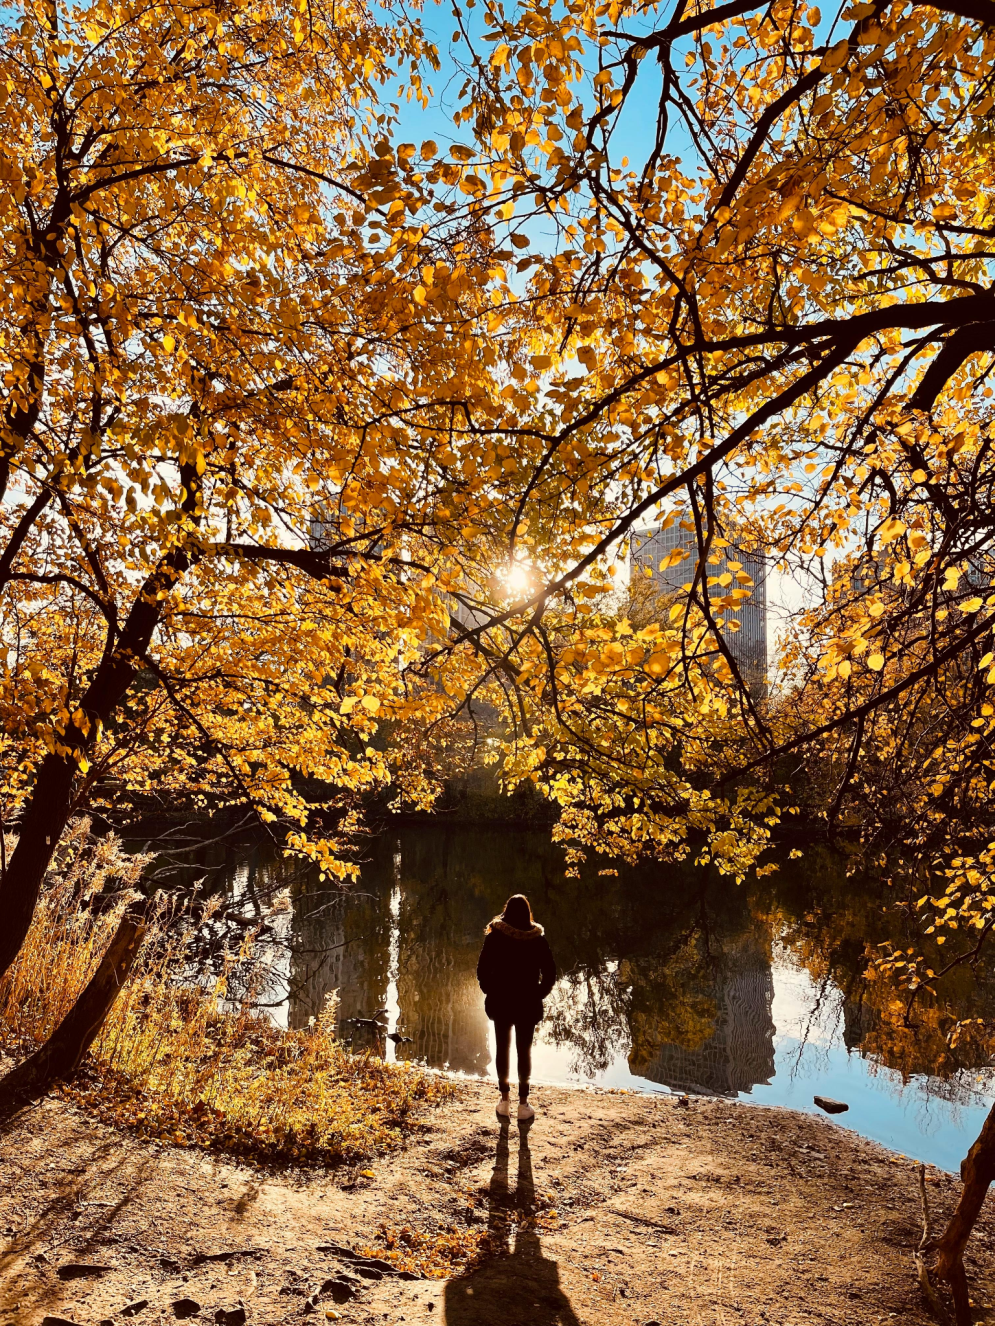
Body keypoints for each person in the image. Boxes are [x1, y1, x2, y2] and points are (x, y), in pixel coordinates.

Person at [476, 893, 557, 1121]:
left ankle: (504, 1101)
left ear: (507, 912)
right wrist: (539, 993)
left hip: (501, 1001)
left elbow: (482, 971)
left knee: (502, 1049)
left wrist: (491, 990)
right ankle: (523, 1104)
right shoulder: (537, 939)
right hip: (527, 1003)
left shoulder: (494, 937)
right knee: (525, 1052)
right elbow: (550, 973)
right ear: (527, 913)